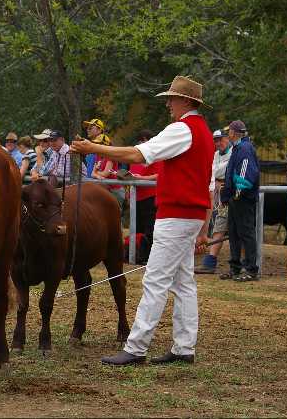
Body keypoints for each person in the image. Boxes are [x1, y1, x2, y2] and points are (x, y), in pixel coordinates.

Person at [71, 75, 215, 366]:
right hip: (187, 215)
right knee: (183, 282)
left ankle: (136, 347)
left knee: (156, 280)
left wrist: (93, 148)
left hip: (176, 216)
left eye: (172, 99)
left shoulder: (182, 130)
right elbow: (206, 184)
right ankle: (184, 346)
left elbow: (137, 155)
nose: (168, 105)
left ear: (186, 101)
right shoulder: (201, 132)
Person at [219, 120, 260, 282]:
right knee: (235, 234)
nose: (227, 134)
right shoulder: (238, 148)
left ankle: (251, 269)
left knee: (246, 234)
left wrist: (237, 194)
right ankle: (235, 268)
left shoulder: (244, 148)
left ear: (234, 133)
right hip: (236, 198)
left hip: (242, 199)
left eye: (228, 132)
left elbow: (245, 173)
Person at [195, 128, 233, 274]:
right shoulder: (215, 155)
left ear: (227, 138)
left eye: (220, 139)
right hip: (219, 196)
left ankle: (245, 262)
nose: (218, 143)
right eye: (215, 140)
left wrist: (218, 177)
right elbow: (212, 171)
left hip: (229, 195)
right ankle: (211, 261)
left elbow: (218, 171)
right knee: (220, 226)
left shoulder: (234, 153)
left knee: (235, 229)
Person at [128, 129, 163, 263]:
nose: (143, 142)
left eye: (146, 139)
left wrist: (143, 178)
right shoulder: (135, 159)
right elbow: (132, 175)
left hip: (151, 196)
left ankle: (148, 257)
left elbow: (160, 175)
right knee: (137, 228)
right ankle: (137, 255)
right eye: (141, 140)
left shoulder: (157, 157)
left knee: (150, 228)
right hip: (136, 197)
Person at [91, 133, 125, 209]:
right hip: (105, 189)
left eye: (98, 144)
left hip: (115, 190)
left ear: (105, 145)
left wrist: (96, 173)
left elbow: (105, 174)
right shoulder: (98, 155)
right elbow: (92, 174)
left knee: (116, 215)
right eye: (96, 143)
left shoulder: (110, 156)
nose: (96, 146)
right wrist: (97, 175)